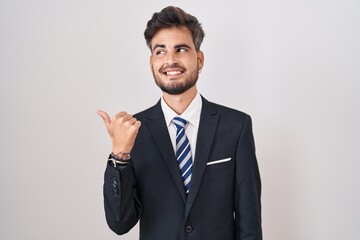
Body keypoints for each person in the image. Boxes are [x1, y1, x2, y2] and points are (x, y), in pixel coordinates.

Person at [97, 6, 262, 240]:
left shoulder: (236, 127)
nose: (170, 61)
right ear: (151, 62)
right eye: (160, 51)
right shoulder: (135, 131)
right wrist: (119, 156)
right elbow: (120, 223)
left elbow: (250, 225)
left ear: (200, 59)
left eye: (181, 49)